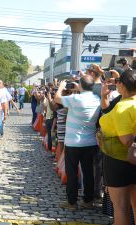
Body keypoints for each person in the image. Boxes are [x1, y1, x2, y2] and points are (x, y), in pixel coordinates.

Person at [55, 75, 101, 210]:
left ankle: (72, 202)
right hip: (90, 142)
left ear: (80, 85)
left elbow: (57, 98)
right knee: (88, 173)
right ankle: (88, 200)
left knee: (72, 173)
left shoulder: (75, 98)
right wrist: (79, 89)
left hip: (73, 142)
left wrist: (61, 87)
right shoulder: (97, 99)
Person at [99, 69, 136, 225]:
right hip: (131, 159)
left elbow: (126, 140)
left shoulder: (123, 108)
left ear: (121, 85)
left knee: (120, 206)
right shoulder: (127, 102)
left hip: (119, 160)